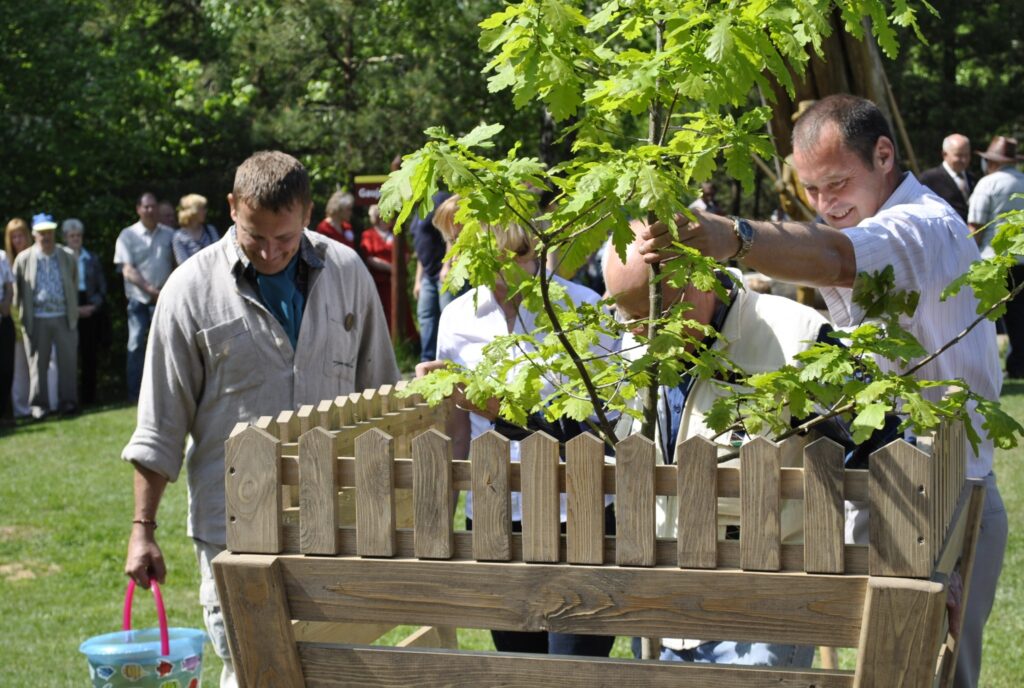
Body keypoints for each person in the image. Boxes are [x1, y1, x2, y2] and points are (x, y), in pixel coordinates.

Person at [638, 94, 1004, 688]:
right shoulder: (881, 221)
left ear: (884, 154)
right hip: (895, 493)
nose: (825, 205)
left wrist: (731, 236)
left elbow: (837, 258)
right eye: (811, 190)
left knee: (925, 675)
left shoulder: (922, 228)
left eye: (837, 183)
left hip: (941, 499)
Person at [122, 150, 400, 688]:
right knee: (251, 666)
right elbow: (159, 425)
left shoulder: (348, 274)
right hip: (233, 527)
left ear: (307, 212)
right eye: (255, 237)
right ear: (231, 207)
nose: (271, 252)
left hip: (334, 520)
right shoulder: (189, 291)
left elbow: (380, 398)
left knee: (330, 664)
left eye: (286, 239)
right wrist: (142, 530)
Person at [605, 221, 829, 667]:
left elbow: (880, 447)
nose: (638, 333)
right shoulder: (633, 347)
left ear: (698, 280)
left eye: (654, 316)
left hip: (760, 614)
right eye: (626, 317)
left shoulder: (798, 337)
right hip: (659, 611)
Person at [418, 216, 616, 658]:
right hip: (494, 517)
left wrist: (497, 409)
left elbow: (605, 427)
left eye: (522, 253)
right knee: (516, 667)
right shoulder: (456, 317)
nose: (511, 268)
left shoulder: (585, 309)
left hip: (578, 517)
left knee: (575, 672)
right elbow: (457, 433)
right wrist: (443, 525)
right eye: (496, 255)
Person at [12, 213, 79, 418]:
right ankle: (39, 406)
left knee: (68, 362)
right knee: (37, 365)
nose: (46, 236)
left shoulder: (66, 255)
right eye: (42, 233)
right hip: (37, 318)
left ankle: (68, 402)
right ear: (34, 234)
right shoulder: (24, 259)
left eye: (49, 232)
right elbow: (17, 292)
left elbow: (74, 283)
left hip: (63, 316)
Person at [968, 136, 1024, 377]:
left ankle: (986, 369)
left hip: (993, 262)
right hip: (1022, 260)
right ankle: (1019, 365)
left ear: (991, 162)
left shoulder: (987, 184)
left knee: (986, 318)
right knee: (1020, 319)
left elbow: (975, 229)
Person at [114, 192, 175, 402]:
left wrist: (166, 292)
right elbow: (127, 270)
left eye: (153, 206)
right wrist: (150, 290)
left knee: (169, 345)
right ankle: (135, 395)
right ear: (138, 209)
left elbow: (179, 265)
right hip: (138, 300)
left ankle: (168, 392)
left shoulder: (170, 235)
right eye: (145, 207)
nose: (150, 210)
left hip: (166, 300)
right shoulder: (127, 235)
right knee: (136, 344)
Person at [62, 219, 108, 406]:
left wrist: (93, 307)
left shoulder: (92, 258)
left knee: (90, 355)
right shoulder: (60, 259)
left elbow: (102, 288)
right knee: (69, 357)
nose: (75, 239)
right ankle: (71, 400)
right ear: (65, 238)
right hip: (67, 311)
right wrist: (73, 309)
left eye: (78, 235)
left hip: (89, 308)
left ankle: (89, 399)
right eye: (72, 236)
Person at [5, 217, 41, 419]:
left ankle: (39, 404)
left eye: (20, 235)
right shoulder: (6, 262)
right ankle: (21, 409)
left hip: (37, 319)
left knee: (38, 365)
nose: (18, 240)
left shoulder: (36, 258)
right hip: (15, 320)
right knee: (18, 367)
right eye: (13, 237)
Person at [411, 189, 452, 361]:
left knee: (449, 315)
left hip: (444, 273)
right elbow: (421, 248)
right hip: (427, 275)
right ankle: (427, 361)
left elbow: (451, 232)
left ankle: (451, 360)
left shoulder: (438, 199)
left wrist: (447, 266)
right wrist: (417, 280)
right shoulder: (417, 211)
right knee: (425, 315)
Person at [919, 134, 974, 222]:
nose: (964, 160)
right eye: (958, 155)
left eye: (966, 155)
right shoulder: (929, 179)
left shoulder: (972, 178)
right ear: (944, 154)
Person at [172, 194, 219, 266]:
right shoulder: (179, 237)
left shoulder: (210, 230)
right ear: (193, 211)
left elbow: (219, 254)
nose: (205, 211)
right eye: (202, 208)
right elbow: (183, 265)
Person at [0, 239, 13, 423]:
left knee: (5, 368)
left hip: (3, 319)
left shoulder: (2, 256)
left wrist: (5, 305)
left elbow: (10, 286)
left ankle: (3, 414)